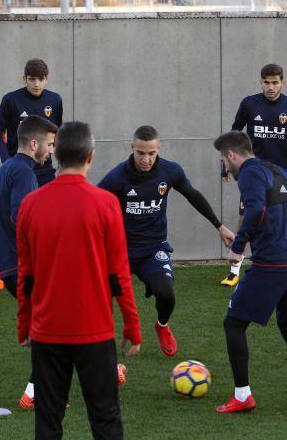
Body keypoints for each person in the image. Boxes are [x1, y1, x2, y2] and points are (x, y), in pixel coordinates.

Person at [17, 121, 141, 440]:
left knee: (49, 419)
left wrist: (24, 325)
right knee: (105, 417)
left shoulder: (31, 204)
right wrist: (132, 328)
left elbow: (27, 276)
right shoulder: (106, 204)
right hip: (95, 332)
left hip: (48, 331)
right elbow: (119, 273)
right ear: (90, 157)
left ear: (54, 155)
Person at [98, 126, 235, 356]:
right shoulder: (116, 178)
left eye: (151, 153)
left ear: (158, 149)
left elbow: (192, 194)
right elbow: (93, 208)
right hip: (119, 251)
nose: (146, 158)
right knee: (99, 301)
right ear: (132, 148)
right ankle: (101, 345)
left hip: (153, 248)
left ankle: (161, 326)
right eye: (141, 152)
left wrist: (219, 226)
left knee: (166, 293)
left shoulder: (170, 171)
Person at [213, 131, 287, 414]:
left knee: (233, 324)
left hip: (271, 264)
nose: (225, 166)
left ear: (232, 156)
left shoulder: (249, 173)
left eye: (224, 161)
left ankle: (242, 395)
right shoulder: (283, 172)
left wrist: (238, 247)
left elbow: (256, 209)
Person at [0, 115, 58, 409]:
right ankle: (34, 391)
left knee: (51, 325)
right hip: (26, 267)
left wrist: (5, 255)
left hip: (10, 267)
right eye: (50, 145)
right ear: (33, 143)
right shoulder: (24, 174)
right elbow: (23, 218)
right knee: (54, 327)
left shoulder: (0, 173)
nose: (52, 151)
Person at [221, 63, 287, 287]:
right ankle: (235, 270)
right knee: (247, 217)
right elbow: (234, 133)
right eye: (266, 82)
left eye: (275, 82)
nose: (270, 87)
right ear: (260, 82)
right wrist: (226, 165)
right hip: (256, 173)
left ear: (283, 82)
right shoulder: (249, 104)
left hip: (285, 172)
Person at [0, 58, 63, 291]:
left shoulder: (55, 100)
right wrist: (7, 160)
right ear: (24, 79)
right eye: (32, 79)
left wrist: (56, 155)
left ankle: (46, 263)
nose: (37, 84)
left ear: (47, 79)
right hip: (18, 168)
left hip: (44, 170)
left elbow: (56, 132)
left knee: (48, 217)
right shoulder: (11, 100)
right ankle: (0, 270)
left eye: (41, 79)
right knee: (8, 219)